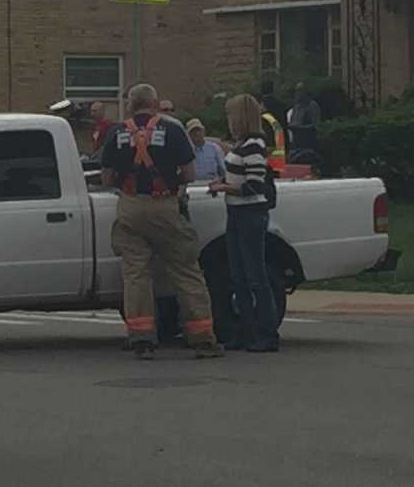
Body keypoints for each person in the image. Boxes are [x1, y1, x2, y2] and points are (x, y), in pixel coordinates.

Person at [101, 83, 222, 360]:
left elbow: (107, 178)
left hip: (130, 206)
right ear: (155, 104)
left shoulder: (116, 132)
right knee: (186, 270)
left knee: (135, 273)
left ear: (131, 105)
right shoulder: (173, 129)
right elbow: (190, 174)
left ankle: (141, 337)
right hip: (165, 205)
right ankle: (202, 338)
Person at [208, 94, 280, 353]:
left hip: (251, 214)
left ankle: (267, 333)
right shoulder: (240, 144)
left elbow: (254, 184)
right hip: (236, 212)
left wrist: (225, 187)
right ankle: (246, 331)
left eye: (230, 115)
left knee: (255, 275)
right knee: (238, 275)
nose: (228, 120)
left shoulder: (254, 145)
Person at [288, 82, 321, 158]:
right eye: (296, 91)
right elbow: (293, 121)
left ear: (305, 92)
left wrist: (300, 128)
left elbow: (315, 126)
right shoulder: (296, 106)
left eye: (299, 90)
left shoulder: (312, 105)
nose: (297, 93)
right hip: (296, 143)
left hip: (307, 144)